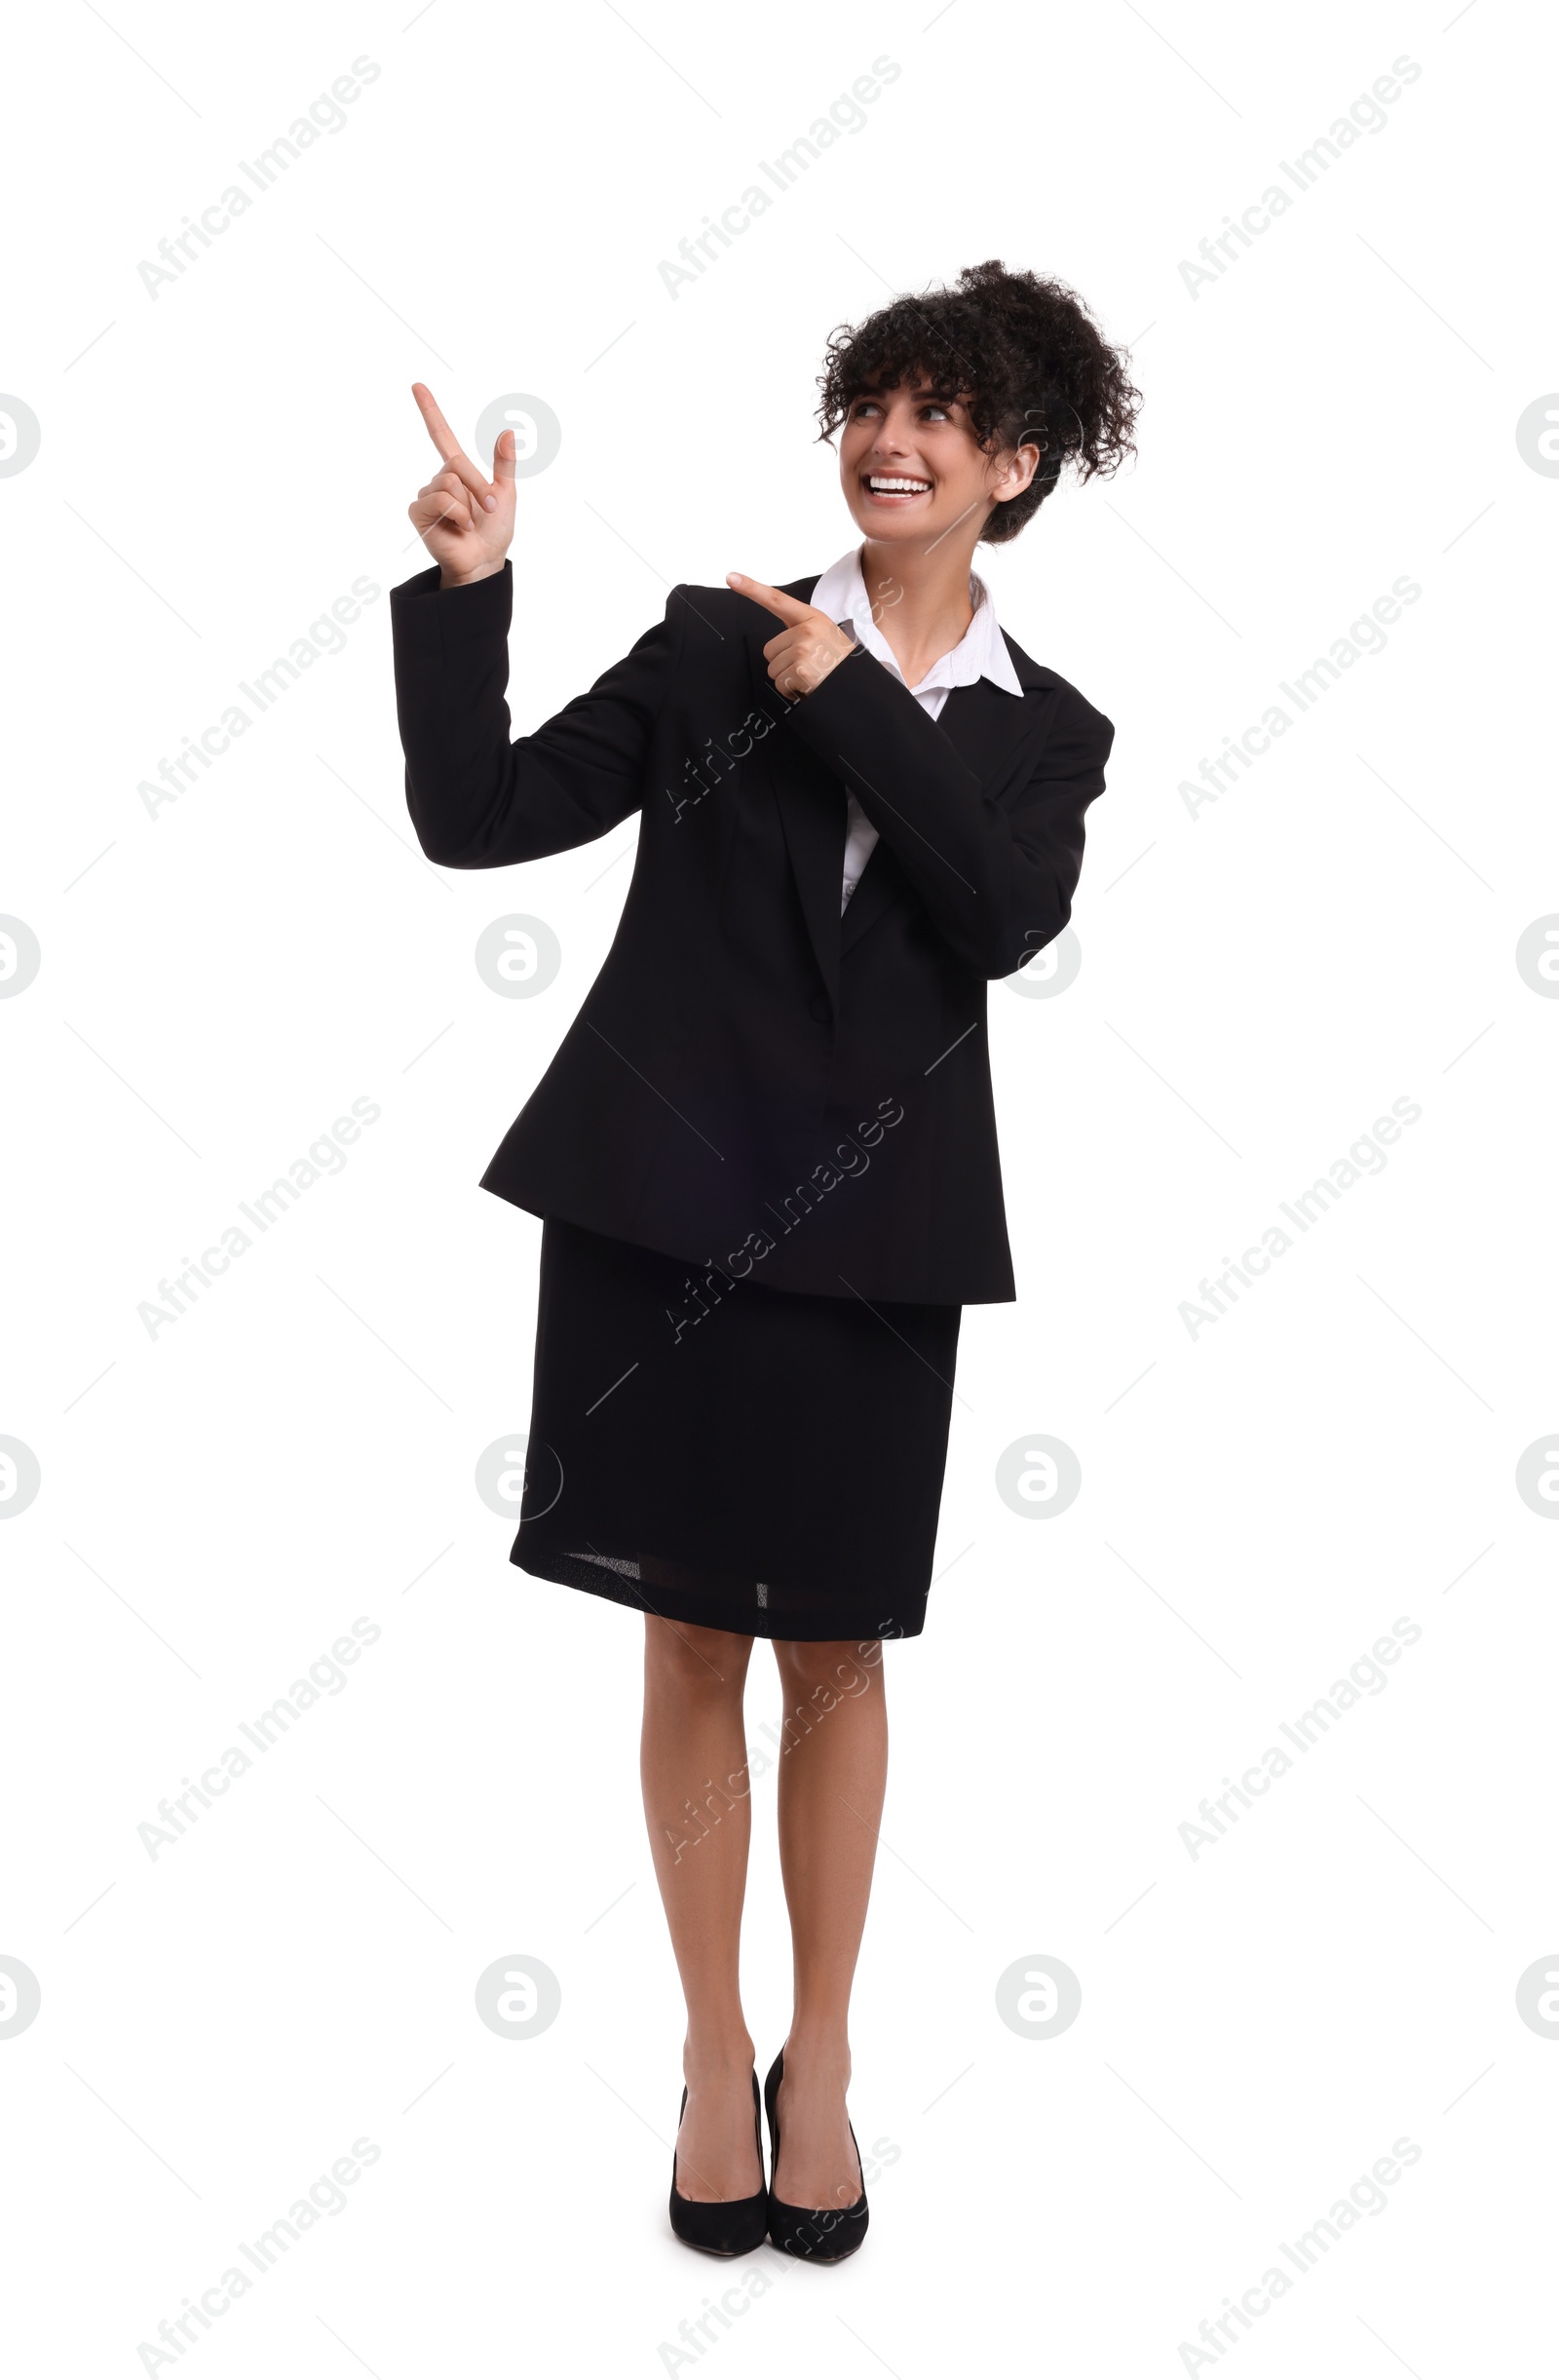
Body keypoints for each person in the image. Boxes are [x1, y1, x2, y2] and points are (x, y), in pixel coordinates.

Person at [390, 259, 1139, 2261]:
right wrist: (471, 595)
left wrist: (848, 699)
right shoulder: (712, 641)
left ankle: (826, 2057)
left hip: (878, 1245)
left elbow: (992, 916)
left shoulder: (1046, 733)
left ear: (1012, 463)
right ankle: (713, 2055)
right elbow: (475, 816)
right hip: (656, 1207)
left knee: (836, 1650)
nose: (884, 438)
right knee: (686, 1640)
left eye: (933, 414)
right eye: (864, 400)